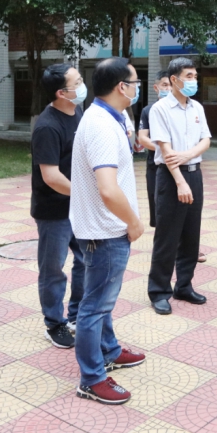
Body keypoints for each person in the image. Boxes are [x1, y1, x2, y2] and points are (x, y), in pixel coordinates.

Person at [70, 57, 146, 405]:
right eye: (135, 82)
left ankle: (109, 350)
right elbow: (108, 189)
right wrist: (133, 221)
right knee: (95, 306)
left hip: (104, 227)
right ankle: (92, 378)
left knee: (102, 300)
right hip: (105, 231)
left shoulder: (111, 116)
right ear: (121, 87)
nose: (137, 88)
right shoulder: (100, 124)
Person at [147, 57, 211, 315]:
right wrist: (181, 182)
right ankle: (158, 291)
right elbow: (165, 150)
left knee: (191, 236)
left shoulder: (197, 107)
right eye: (189, 76)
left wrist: (187, 155)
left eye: (195, 76)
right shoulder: (160, 109)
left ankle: (183, 286)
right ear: (174, 80)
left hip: (195, 174)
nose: (194, 81)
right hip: (171, 177)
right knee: (167, 237)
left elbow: (206, 140)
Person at [31, 63, 86, 349]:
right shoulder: (47, 126)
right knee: (53, 269)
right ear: (61, 93)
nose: (83, 85)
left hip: (79, 207)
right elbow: (51, 176)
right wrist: (85, 194)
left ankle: (77, 315)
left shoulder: (78, 112)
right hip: (54, 211)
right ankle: (54, 323)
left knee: (86, 261)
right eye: (78, 82)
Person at [137, 70, 172, 228]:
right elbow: (143, 138)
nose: (168, 89)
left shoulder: (181, 108)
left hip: (178, 163)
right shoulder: (148, 110)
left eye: (171, 85)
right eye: (164, 85)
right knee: (156, 200)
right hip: (155, 164)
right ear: (156, 87)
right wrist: (163, 149)